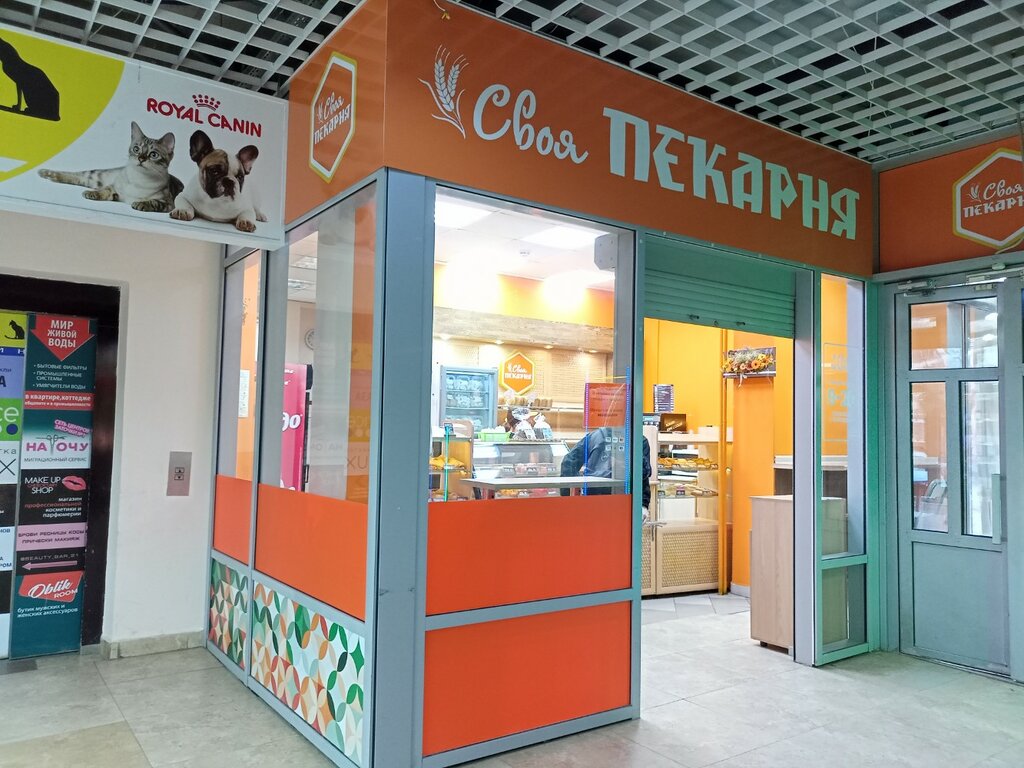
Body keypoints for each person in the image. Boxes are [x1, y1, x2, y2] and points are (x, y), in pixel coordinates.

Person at [560, 427, 652, 513]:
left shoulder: (595, 436)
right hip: (625, 502)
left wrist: (567, 499)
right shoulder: (638, 440)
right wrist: (643, 505)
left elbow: (568, 462)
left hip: (594, 500)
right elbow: (642, 475)